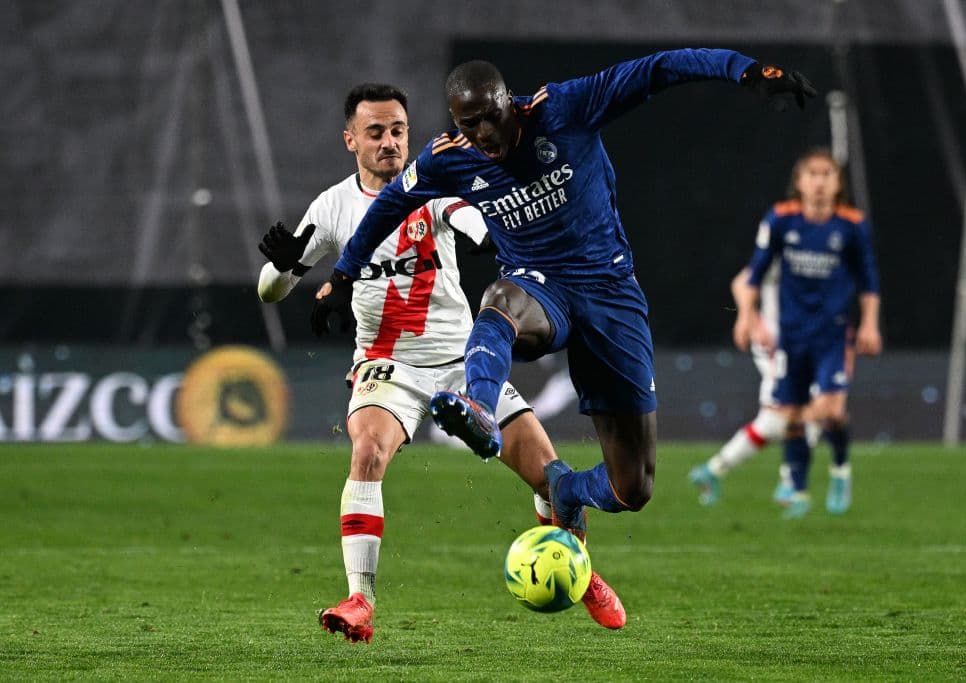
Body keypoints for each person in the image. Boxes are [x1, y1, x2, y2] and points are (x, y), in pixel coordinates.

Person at [317, 51, 816, 536]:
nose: (485, 135)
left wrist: (745, 70)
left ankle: (568, 489)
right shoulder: (449, 157)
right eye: (470, 124)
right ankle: (481, 413)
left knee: (633, 487)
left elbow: (657, 69)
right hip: (539, 288)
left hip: (610, 293)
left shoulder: (564, 108)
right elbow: (389, 206)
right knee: (500, 301)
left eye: (492, 118)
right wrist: (343, 276)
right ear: (456, 120)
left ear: (508, 102)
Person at [256, 83, 624, 644]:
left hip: (462, 360)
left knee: (551, 478)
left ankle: (581, 572)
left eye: (398, 130)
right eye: (375, 132)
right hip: (388, 364)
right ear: (350, 139)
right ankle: (360, 599)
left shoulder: (432, 185)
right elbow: (272, 293)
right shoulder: (331, 207)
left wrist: (488, 230)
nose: (389, 143)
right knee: (367, 449)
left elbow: (472, 220)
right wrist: (282, 270)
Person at [734, 148, 882, 518]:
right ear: (799, 182)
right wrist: (746, 318)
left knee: (831, 411)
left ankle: (840, 468)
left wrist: (869, 324)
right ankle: (798, 489)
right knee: (790, 414)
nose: (819, 181)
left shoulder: (851, 225)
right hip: (792, 336)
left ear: (837, 183)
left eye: (827, 174)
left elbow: (869, 281)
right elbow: (754, 274)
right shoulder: (781, 220)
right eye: (812, 174)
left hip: (831, 335)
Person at [687, 263, 825, 507]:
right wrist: (753, 321)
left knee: (777, 420)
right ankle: (791, 485)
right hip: (776, 339)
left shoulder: (818, 247)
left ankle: (713, 470)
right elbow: (741, 282)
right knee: (809, 409)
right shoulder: (783, 247)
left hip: (804, 339)